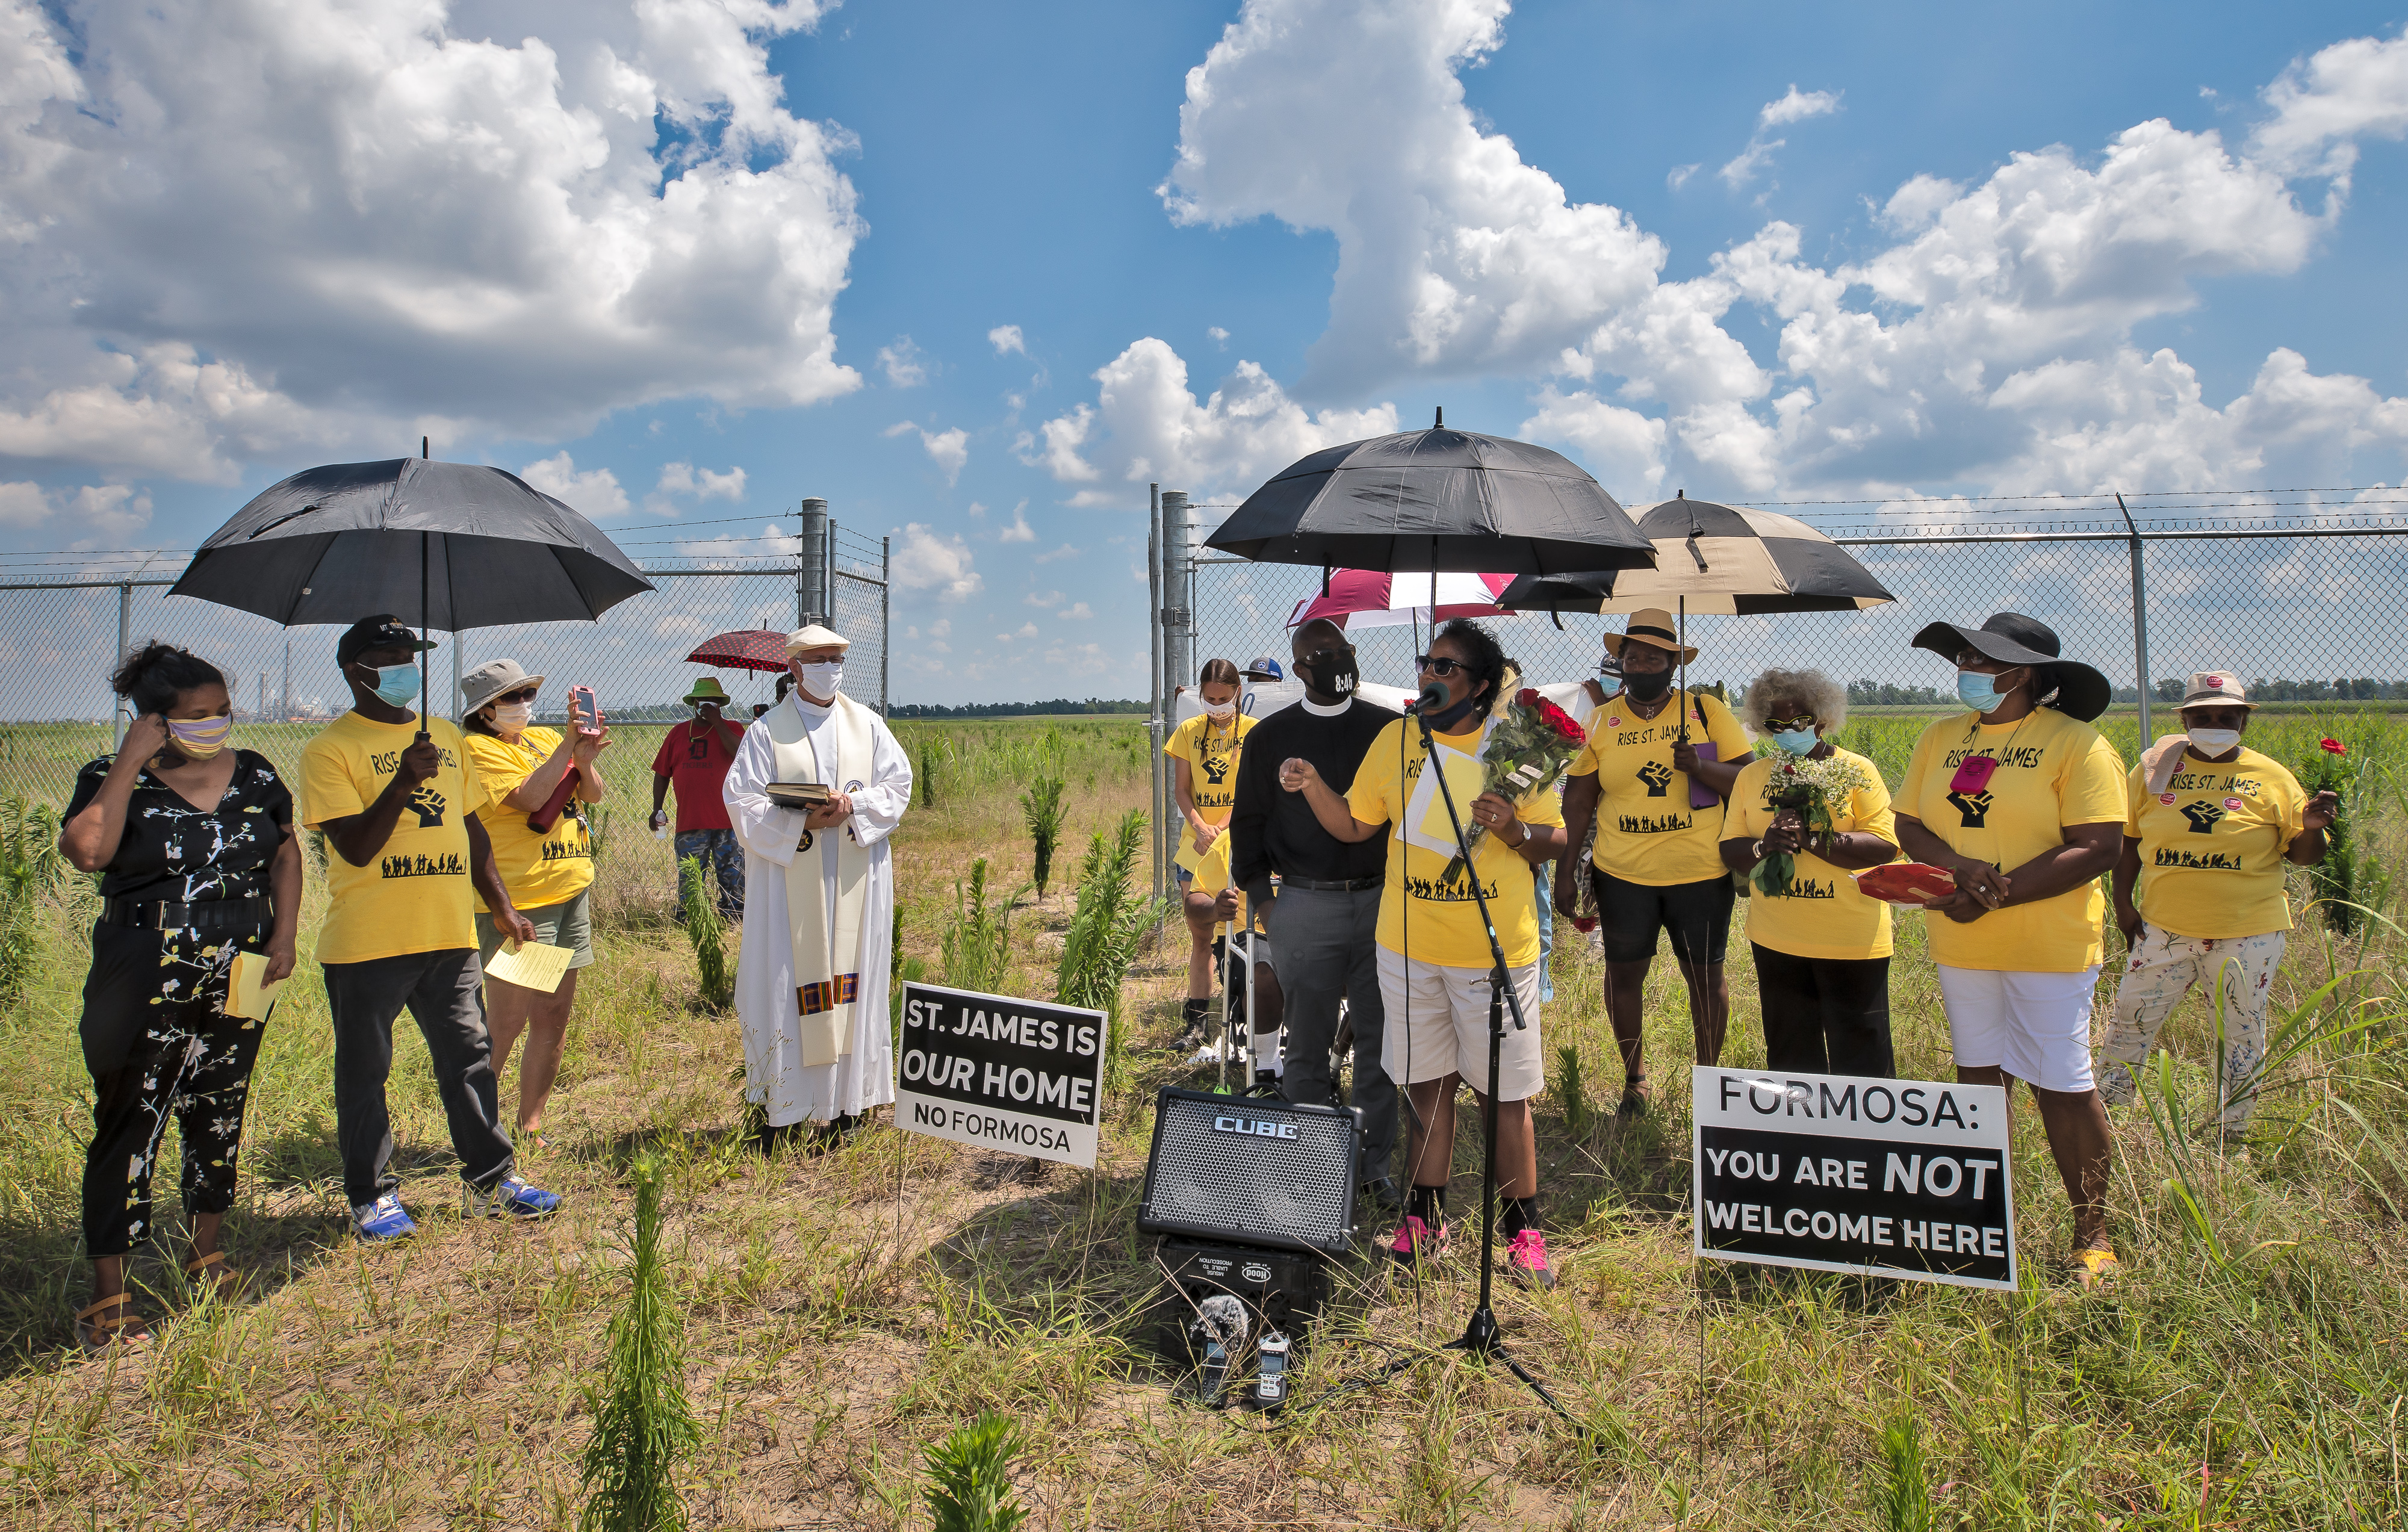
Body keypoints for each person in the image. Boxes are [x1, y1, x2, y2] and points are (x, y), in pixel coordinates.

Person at [1280, 619, 1568, 1287]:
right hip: (1407, 949)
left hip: (1492, 955)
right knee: (1426, 1089)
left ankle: (1522, 1232)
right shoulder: (1398, 738)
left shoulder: (1517, 748)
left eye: (1446, 668)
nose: (1430, 677)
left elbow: (1554, 840)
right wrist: (1313, 783)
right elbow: (1355, 823)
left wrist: (1515, 827)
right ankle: (1423, 1221)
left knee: (1504, 1097)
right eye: (1426, 663)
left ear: (1481, 685)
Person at [57, 644, 302, 1350]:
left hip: (246, 964)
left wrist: (282, 935)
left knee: (222, 1101)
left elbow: (283, 852)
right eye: (198, 716)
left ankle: (207, 1252)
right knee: (131, 1116)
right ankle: (110, 1295)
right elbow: (88, 853)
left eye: (223, 710)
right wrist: (131, 763)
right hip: (144, 966)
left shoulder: (254, 772)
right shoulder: (108, 778)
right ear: (154, 721)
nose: (217, 723)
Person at [299, 616, 561, 1242]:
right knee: (366, 1071)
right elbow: (356, 846)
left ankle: (491, 1179)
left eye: (410, 655)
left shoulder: (444, 734)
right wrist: (403, 780)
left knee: (468, 1058)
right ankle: (372, 1195)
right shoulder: (330, 749)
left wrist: (499, 903)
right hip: (369, 941)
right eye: (388, 656)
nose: (403, 667)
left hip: (449, 933)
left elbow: (470, 828)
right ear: (354, 668)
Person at [1893, 613, 2124, 1283]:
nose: (1963, 667)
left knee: (2061, 1083)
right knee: (1978, 1079)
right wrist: (1958, 868)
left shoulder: (2077, 744)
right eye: (1962, 656)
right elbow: (1910, 822)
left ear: (2019, 674)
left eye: (1977, 658)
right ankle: (1978, 1221)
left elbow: (2097, 846)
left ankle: (2093, 1233)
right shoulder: (1941, 737)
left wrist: (1996, 893)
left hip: (2047, 942)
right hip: (1961, 938)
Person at [2099, 671, 2336, 1132]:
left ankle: (2234, 1134)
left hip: (2247, 934)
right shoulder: (2154, 770)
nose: (2215, 722)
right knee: (2130, 1022)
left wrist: (2311, 828)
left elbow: (2303, 855)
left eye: (2227, 715)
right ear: (2185, 718)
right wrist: (2124, 904)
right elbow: (2128, 841)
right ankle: (2106, 1117)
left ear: (2243, 721)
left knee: (2241, 1035)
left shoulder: (2271, 776)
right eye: (2203, 715)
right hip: (2163, 928)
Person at [1229, 618, 1401, 1211]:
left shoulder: (1390, 730)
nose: (1335, 661)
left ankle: (1373, 1164)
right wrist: (1266, 904)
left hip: (1382, 902)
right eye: (1320, 655)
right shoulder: (1270, 737)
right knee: (1305, 1044)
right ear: (1298, 669)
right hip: (1302, 902)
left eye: (1342, 651)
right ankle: (1311, 1165)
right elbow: (1247, 824)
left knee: (1382, 1043)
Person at [1553, 608, 1754, 1112]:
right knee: (1624, 976)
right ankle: (1635, 1079)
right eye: (1633, 656)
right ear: (1621, 663)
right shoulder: (1601, 719)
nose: (1643, 664)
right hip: (1624, 876)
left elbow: (1751, 782)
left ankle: (1708, 1080)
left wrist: (1701, 765)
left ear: (1673, 663)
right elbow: (1577, 800)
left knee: (1706, 978)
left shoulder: (1705, 711)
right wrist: (1565, 869)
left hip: (1701, 875)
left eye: (1654, 657)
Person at [722, 624, 913, 1150]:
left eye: (837, 658)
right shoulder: (767, 732)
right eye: (820, 658)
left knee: (852, 983)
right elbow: (741, 801)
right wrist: (801, 824)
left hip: (853, 872)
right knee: (786, 982)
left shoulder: (868, 725)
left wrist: (851, 807)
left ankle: (849, 1108)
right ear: (796, 666)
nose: (831, 667)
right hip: (790, 886)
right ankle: (783, 1111)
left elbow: (898, 785)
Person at [458, 659, 611, 1150]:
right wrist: (568, 745)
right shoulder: (477, 750)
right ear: (485, 711)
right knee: (507, 1020)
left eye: (527, 693)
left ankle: (530, 1123)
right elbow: (528, 797)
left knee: (553, 1013)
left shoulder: (545, 740)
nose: (524, 704)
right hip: (525, 904)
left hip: (568, 893)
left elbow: (591, 794)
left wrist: (583, 759)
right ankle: (479, 1129)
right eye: (512, 698)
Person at [1719, 669, 1902, 1076]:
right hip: (1777, 939)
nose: (1787, 730)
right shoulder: (1753, 776)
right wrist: (1764, 846)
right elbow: (1730, 848)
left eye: (1798, 721)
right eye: (1776, 724)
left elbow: (1885, 845)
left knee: (1862, 1056)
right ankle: (1800, 1138)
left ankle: (1862, 1140)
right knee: (1790, 1054)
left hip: (1851, 940)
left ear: (1821, 720)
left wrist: (1814, 839)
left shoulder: (1856, 770)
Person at [1165, 659, 1257, 1044]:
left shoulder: (1254, 732)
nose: (1217, 705)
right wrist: (1201, 827)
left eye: (1224, 698)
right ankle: (1196, 1024)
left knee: (1245, 934)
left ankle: (1244, 1020)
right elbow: (1182, 790)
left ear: (1238, 692)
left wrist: (1221, 829)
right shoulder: (1188, 731)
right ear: (1200, 695)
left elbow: (1252, 791)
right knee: (1201, 932)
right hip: (1196, 844)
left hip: (1238, 843)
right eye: (1210, 698)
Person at [650, 677, 746, 920]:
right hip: (691, 823)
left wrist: (717, 722)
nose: (707, 705)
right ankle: (690, 920)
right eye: (703, 701)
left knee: (733, 877)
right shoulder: (679, 733)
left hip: (729, 823)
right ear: (694, 703)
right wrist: (657, 808)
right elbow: (662, 773)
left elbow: (740, 753)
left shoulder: (733, 728)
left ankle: (734, 919)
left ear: (720, 704)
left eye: (713, 701)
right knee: (691, 879)